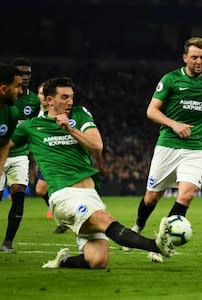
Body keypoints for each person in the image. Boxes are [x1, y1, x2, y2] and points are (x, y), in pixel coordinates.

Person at [2, 77, 172, 268]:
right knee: (104, 220)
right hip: (63, 196)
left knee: (98, 260)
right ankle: (155, 246)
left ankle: (63, 261)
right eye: (64, 97)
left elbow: (96, 145)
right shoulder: (31, 126)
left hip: (90, 195)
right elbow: (5, 145)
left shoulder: (80, 114)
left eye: (71, 97)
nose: (70, 102)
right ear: (49, 100)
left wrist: (70, 128)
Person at [123, 37, 202, 261]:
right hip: (167, 147)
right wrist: (174, 124)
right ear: (185, 58)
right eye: (194, 57)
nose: (198, 61)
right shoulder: (170, 79)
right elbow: (151, 111)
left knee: (187, 195)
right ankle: (138, 225)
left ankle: (162, 244)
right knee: (151, 198)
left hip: (195, 149)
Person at [1, 58, 41, 253]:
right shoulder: (7, 100)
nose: (25, 77)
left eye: (28, 74)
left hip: (19, 154)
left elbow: (32, 131)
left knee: (18, 194)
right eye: (21, 73)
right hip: (2, 152)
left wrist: (34, 160)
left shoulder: (33, 101)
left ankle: (8, 242)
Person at [35, 82, 68, 233]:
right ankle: (62, 216)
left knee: (43, 189)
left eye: (44, 94)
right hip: (43, 158)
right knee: (41, 190)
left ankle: (63, 220)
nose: (42, 97)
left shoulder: (57, 113)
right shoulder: (35, 114)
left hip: (57, 156)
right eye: (40, 94)